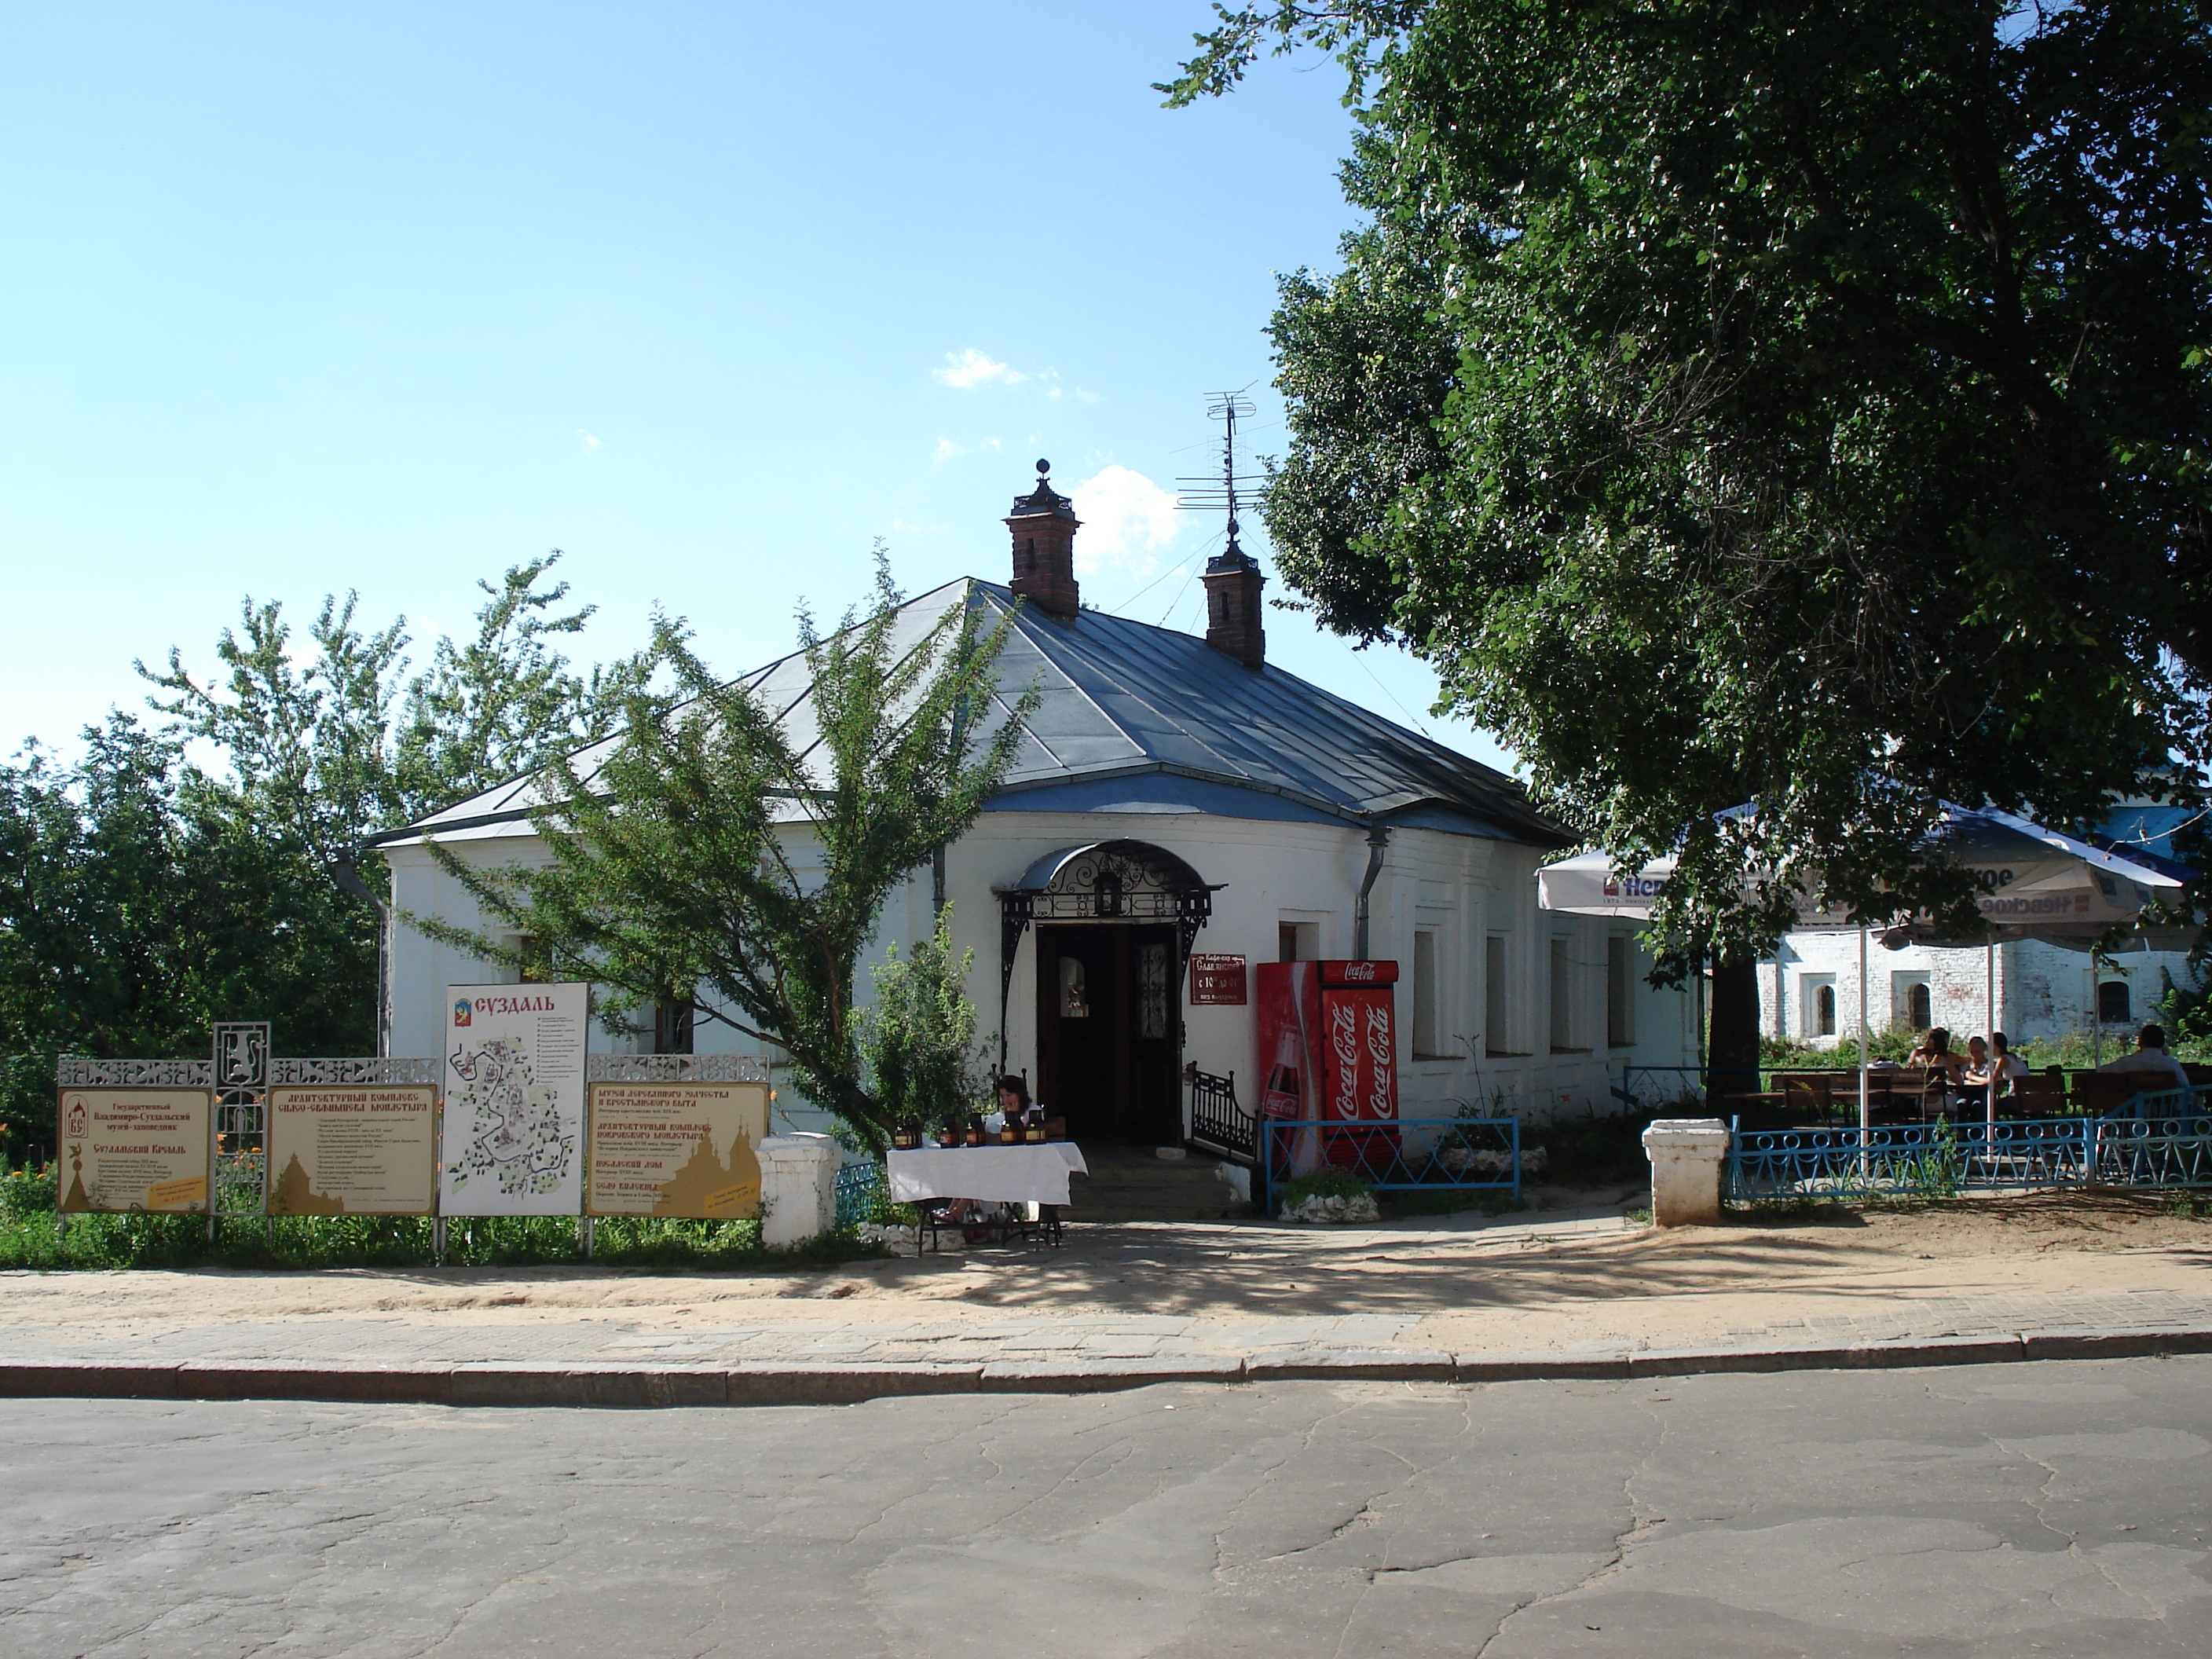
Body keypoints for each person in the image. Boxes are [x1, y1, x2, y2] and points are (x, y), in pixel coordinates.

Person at [2096, 1024, 2193, 1092]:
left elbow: (2101, 1071)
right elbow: (2186, 1088)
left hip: (2133, 1115)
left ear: (2140, 1042)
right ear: (2163, 1043)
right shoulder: (2171, 1064)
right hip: (2167, 1116)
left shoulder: (2127, 1063)